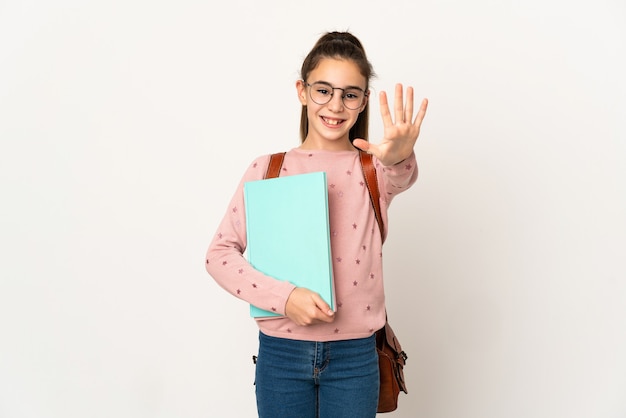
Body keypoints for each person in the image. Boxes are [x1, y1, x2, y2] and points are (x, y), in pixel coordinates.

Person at [205, 30, 428, 418]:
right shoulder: (267, 170)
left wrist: (399, 155)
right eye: (323, 90)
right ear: (302, 91)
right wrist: (285, 297)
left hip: (355, 357)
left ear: (362, 103)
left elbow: (402, 176)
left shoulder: (374, 169)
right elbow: (219, 255)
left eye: (350, 93)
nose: (336, 104)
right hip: (282, 355)